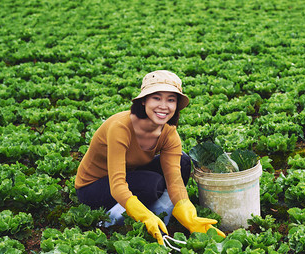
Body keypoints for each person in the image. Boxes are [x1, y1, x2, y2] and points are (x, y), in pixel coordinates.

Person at [75, 70, 225, 244]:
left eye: (171, 100)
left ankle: (157, 218)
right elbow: (117, 184)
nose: (163, 106)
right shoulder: (120, 128)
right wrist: (143, 215)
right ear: (144, 101)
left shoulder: (168, 133)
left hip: (132, 173)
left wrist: (189, 215)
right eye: (156, 98)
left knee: (183, 162)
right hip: (94, 186)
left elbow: (175, 181)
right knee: (150, 184)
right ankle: (112, 220)